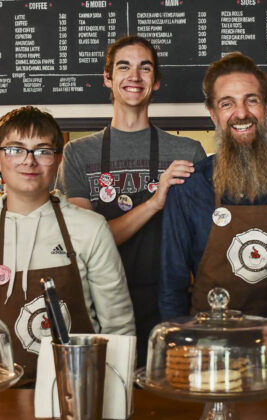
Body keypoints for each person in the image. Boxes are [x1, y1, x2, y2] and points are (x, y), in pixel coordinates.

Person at [0, 106, 135, 381]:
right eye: (15, 149)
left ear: (57, 159)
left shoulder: (91, 228)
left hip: (78, 389)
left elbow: (118, 325)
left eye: (42, 150)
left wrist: (116, 396)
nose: (29, 161)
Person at [58, 35, 206, 366]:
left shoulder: (187, 152)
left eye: (145, 68)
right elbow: (87, 243)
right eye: (124, 67)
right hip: (100, 303)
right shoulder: (78, 154)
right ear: (108, 78)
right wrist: (154, 202)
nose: (134, 77)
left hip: (168, 302)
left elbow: (200, 241)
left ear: (156, 82)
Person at [159, 52, 267, 320]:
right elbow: (171, 285)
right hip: (209, 340)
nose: (241, 113)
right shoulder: (189, 186)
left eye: (251, 100)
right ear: (213, 114)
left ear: (266, 106)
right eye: (227, 104)